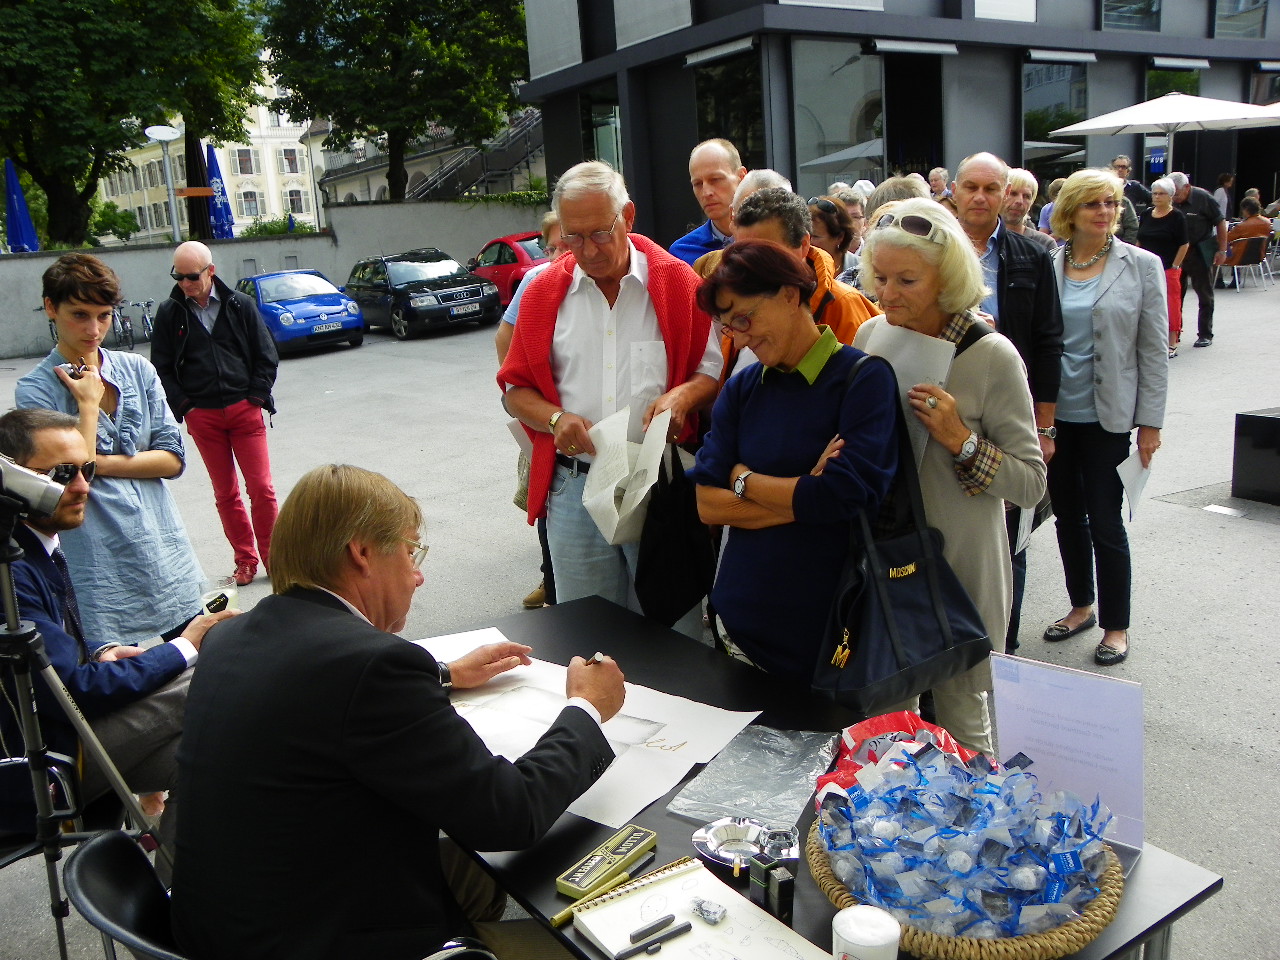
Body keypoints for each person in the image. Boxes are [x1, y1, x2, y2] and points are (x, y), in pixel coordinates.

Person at [171, 463, 624, 960]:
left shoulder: (231, 637)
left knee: (479, 875)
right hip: (322, 939)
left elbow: (312, 695)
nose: (418, 575)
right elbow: (509, 814)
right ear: (362, 552)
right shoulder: (371, 667)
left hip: (223, 922)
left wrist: (445, 673)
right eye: (411, 552)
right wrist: (586, 708)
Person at [854, 198, 1047, 753]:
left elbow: (1031, 483)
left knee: (965, 717)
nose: (887, 293)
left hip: (959, 567)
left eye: (906, 280)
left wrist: (961, 439)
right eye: (880, 277)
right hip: (886, 560)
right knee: (891, 720)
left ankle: (979, 810)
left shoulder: (992, 356)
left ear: (948, 279)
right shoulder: (870, 336)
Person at [498, 161, 721, 640]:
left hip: (656, 483)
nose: (587, 250)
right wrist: (554, 418)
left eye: (600, 233)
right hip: (575, 487)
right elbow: (515, 390)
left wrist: (681, 396)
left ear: (629, 216)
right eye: (573, 237)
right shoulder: (542, 292)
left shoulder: (677, 283)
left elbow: (711, 371)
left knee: (673, 635)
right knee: (588, 635)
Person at [0, 409, 233, 843]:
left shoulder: (33, 545)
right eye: (62, 473)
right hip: (45, 761)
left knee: (211, 758)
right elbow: (73, 692)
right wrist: (185, 644)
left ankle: (175, 882)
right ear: (11, 480)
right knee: (212, 676)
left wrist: (100, 657)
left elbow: (52, 668)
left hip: (64, 729)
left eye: (86, 469)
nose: (83, 486)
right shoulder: (10, 568)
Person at [691, 239, 899, 682]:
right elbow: (707, 505)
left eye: (744, 319)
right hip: (738, 627)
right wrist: (806, 488)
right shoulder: (744, 387)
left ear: (789, 295)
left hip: (833, 633)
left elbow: (842, 496)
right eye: (728, 328)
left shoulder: (863, 379)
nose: (740, 338)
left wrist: (742, 478)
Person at [17, 253, 205, 645]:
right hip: (95, 555)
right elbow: (72, 477)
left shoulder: (138, 369)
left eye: (104, 315)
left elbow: (172, 459)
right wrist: (87, 405)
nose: (94, 329)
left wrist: (98, 462)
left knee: (199, 653)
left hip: (160, 541)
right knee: (118, 670)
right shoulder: (35, 390)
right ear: (51, 307)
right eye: (79, 315)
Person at [1044, 169, 1168, 667]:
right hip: (1054, 415)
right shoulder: (1050, 263)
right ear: (1070, 212)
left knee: (1106, 521)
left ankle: (1116, 625)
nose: (1105, 212)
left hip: (1108, 417)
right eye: (1093, 203)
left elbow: (1153, 351)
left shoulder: (1142, 265)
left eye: (1111, 203)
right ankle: (1081, 606)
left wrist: (1151, 424)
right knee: (1067, 517)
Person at [951, 152, 1064, 655]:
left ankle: (1004, 648)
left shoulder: (1031, 255)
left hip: (1008, 405)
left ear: (1005, 195)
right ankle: (946, 647)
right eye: (971, 187)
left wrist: (1045, 426)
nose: (980, 197)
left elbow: (1049, 340)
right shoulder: (934, 246)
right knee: (954, 532)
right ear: (955, 191)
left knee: (1011, 533)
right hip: (946, 403)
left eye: (991, 189)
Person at [151, 240, 279, 587]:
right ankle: (245, 560)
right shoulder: (170, 312)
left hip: (244, 410)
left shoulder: (240, 305)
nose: (185, 284)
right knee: (226, 493)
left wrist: (256, 397)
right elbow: (161, 367)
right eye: (178, 277)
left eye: (192, 276)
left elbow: (266, 353)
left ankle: (274, 558)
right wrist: (186, 407)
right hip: (203, 416)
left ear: (211, 271)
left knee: (262, 489)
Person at [496, 212, 563, 611]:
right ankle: (550, 578)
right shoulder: (537, 281)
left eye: (565, 245)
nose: (559, 255)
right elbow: (504, 338)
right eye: (552, 248)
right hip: (546, 419)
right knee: (546, 497)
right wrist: (519, 395)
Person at [1169, 171, 1227, 347]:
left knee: (1204, 294)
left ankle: (1205, 334)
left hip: (1199, 251)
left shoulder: (1203, 198)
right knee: (1175, 295)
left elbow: (1220, 222)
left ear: (1187, 187)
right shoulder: (1168, 198)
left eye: (1176, 193)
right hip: (1176, 252)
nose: (1174, 197)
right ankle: (1174, 333)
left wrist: (1222, 250)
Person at [669, 139, 747, 264]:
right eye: (698, 184)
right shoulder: (681, 253)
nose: (706, 193)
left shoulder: (769, 240)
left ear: (741, 177)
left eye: (715, 179)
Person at [1136, 177, 1189, 357]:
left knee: (1171, 303)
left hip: (1168, 267)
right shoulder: (1146, 214)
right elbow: (1140, 239)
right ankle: (1150, 339)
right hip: (1146, 267)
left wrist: (1175, 265)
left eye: (1161, 194)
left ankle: (1172, 341)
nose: (1157, 197)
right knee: (1145, 303)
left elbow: (1184, 244)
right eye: (1155, 193)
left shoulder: (1177, 217)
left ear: (1170, 196)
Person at [1001, 168, 1058, 254]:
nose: (1019, 201)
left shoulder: (1044, 244)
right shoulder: (982, 239)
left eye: (1026, 196)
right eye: (1013, 194)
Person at [808, 194, 861, 282]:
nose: (807, 242)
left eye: (815, 236)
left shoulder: (861, 271)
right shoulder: (799, 271)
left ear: (840, 237)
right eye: (806, 235)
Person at [1221, 196, 1273, 277]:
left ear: (1245, 210)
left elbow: (1225, 239)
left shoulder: (1241, 226)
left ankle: (1218, 280)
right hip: (1259, 256)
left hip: (1239, 257)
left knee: (1214, 251)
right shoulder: (1268, 223)